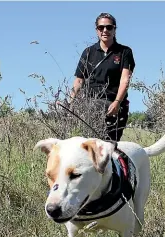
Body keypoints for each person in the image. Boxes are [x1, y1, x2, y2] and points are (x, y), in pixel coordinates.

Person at [58, 12, 136, 142]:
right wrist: (71, 102)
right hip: (91, 105)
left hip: (114, 105)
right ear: (97, 30)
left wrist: (117, 102)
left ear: (114, 29)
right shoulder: (88, 52)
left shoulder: (124, 52)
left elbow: (125, 80)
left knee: (110, 146)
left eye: (109, 27)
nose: (105, 30)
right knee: (89, 146)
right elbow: (79, 80)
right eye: (101, 27)